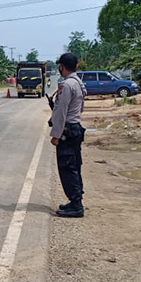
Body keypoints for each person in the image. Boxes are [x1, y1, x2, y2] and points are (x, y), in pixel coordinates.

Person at [50, 53, 87, 218]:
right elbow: (80, 108)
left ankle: (76, 205)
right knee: (74, 166)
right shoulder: (78, 83)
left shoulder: (66, 85)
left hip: (68, 130)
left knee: (67, 167)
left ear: (62, 67)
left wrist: (56, 134)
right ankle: (74, 201)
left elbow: (61, 112)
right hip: (76, 128)